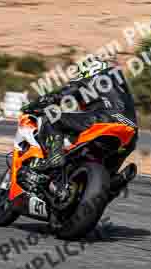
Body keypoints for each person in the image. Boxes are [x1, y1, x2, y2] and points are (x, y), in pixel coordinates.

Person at [21, 56, 138, 186]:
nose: (78, 76)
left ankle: (54, 157)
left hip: (105, 119)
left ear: (89, 70)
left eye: (80, 73)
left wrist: (37, 104)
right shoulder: (120, 84)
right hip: (130, 132)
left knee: (52, 119)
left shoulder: (96, 77)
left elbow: (63, 94)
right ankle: (114, 181)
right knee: (108, 177)